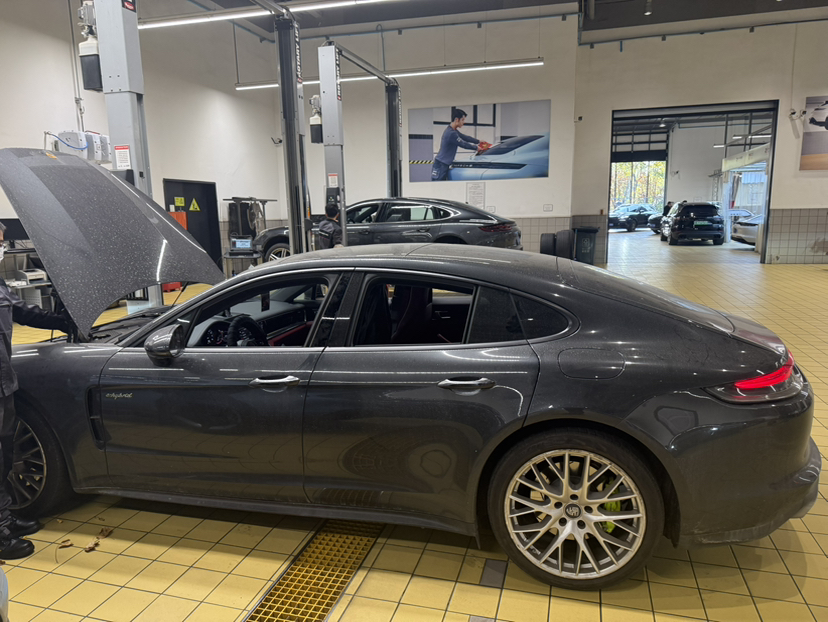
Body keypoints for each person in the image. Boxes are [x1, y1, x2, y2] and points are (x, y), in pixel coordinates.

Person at [0, 223, 71, 559]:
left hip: (4, 384)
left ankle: (5, 517)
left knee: (5, 456)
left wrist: (60, 320)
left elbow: (19, 310)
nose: (1, 248)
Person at [431, 108, 490, 181]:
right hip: (441, 164)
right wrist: (476, 148)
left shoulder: (453, 130)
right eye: (462, 120)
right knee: (438, 186)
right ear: (456, 119)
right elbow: (463, 144)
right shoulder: (451, 133)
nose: (464, 122)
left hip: (443, 164)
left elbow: (465, 137)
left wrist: (478, 141)